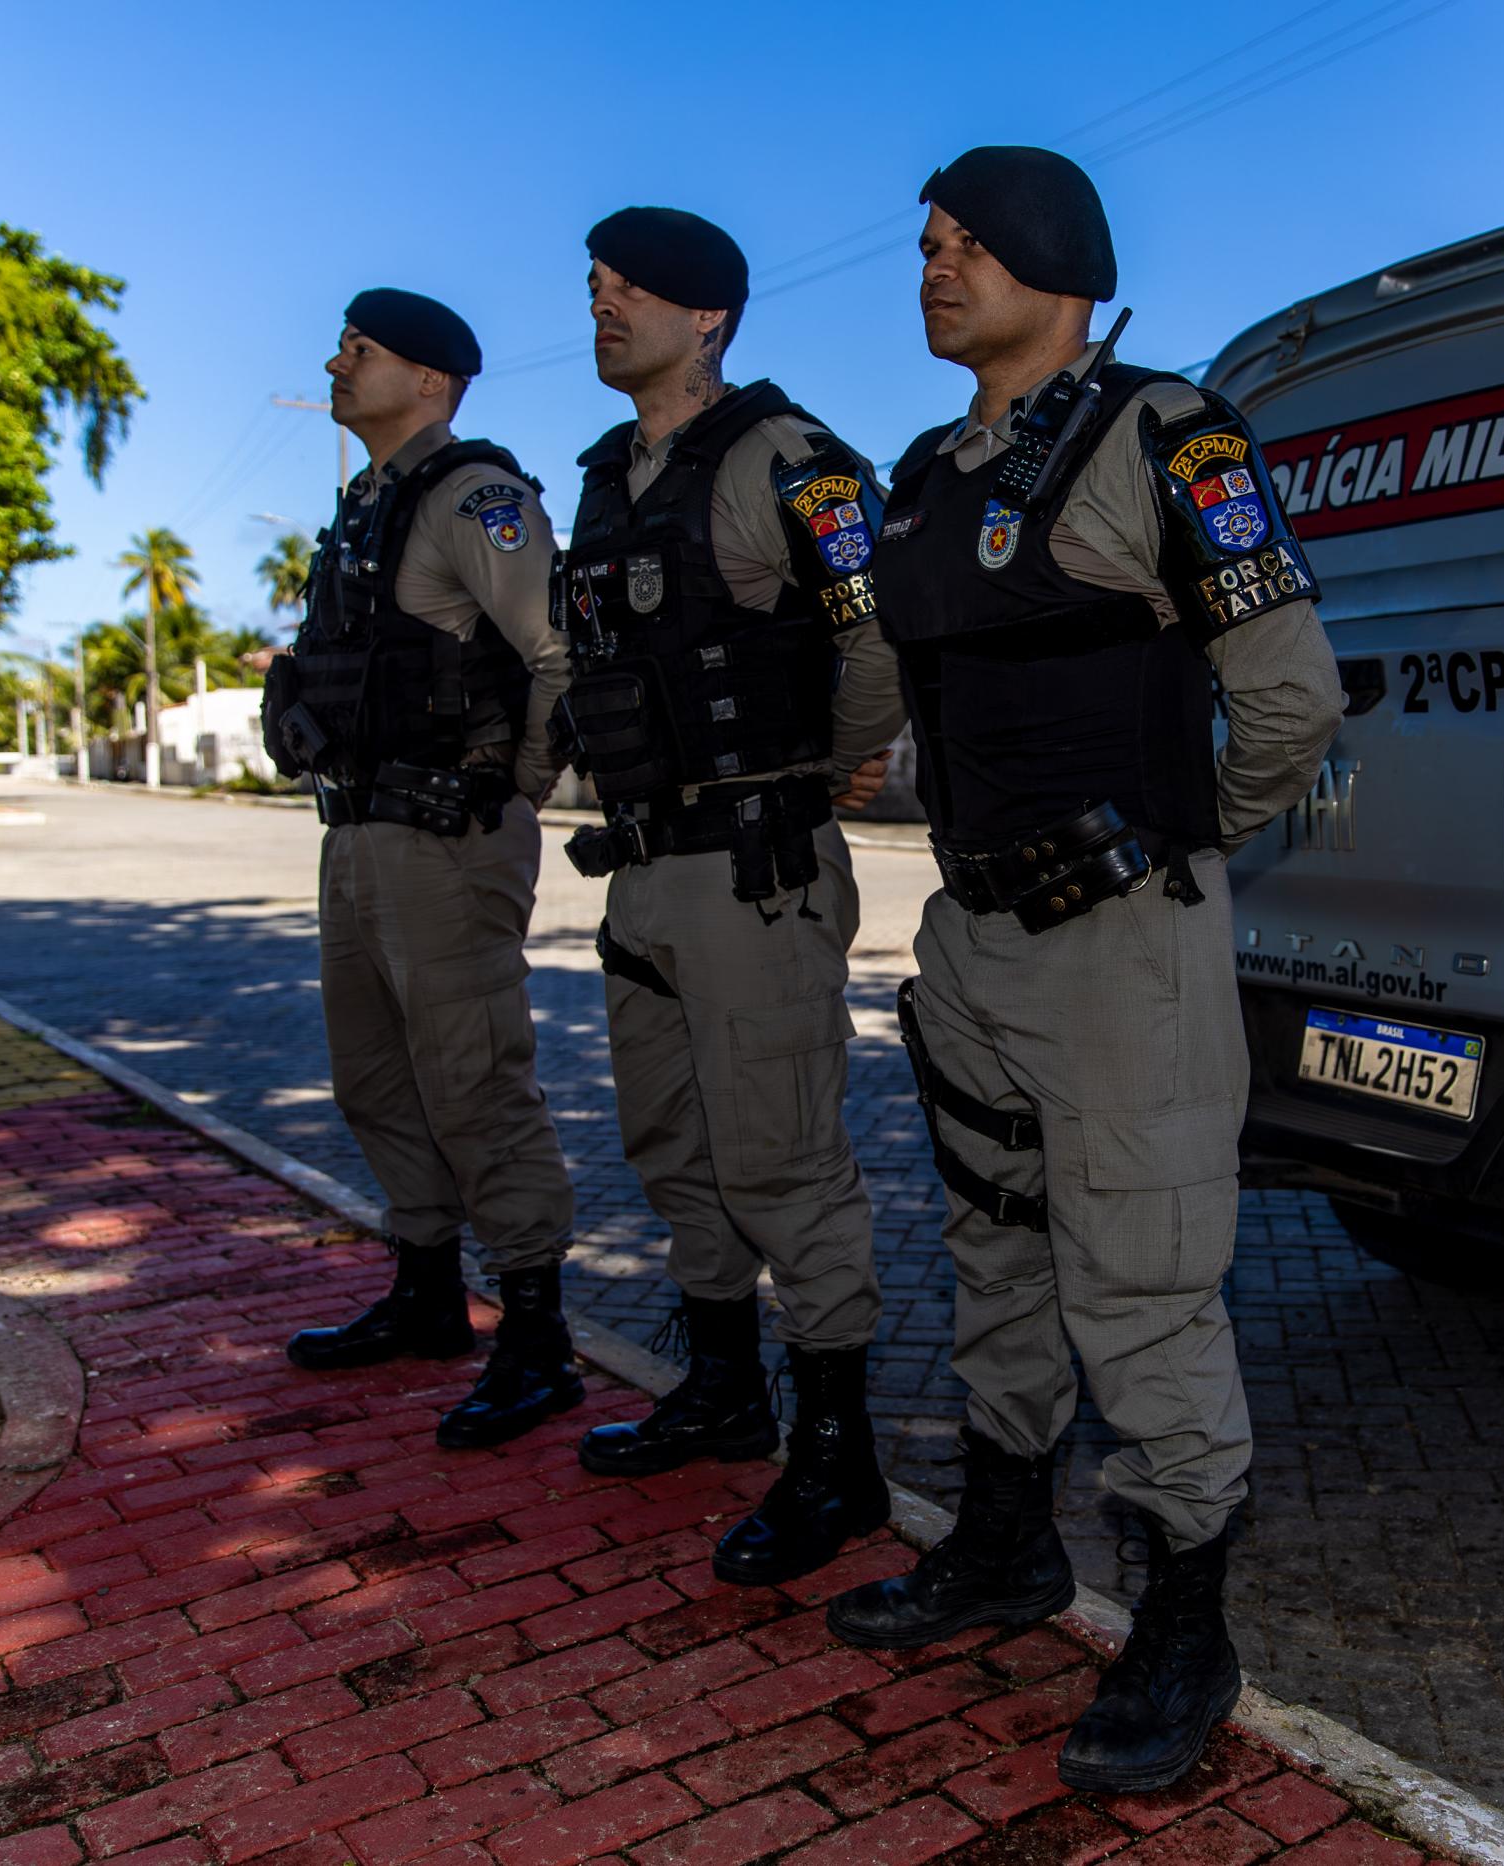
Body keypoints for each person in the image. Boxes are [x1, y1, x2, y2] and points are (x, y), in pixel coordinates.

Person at [822, 149, 1343, 1794]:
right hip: (969, 934)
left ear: (1059, 259)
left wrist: (1171, 849)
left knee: (1142, 1283)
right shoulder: (918, 472)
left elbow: (1291, 701)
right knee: (995, 1258)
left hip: (1122, 941)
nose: (934, 264)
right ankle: (1004, 1547)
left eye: (968, 241)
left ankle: (1187, 1622)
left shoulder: (1169, 435)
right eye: (926, 242)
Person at [559, 207, 906, 1586]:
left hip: (756, 869)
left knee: (784, 1166)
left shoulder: (790, 460)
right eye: (594, 284)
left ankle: (838, 1454)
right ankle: (722, 1388)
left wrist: (826, 767)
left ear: (709, 315)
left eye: (630, 286)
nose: (602, 303)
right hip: (645, 870)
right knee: (671, 1147)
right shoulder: (602, 476)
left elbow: (876, 631)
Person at [257, 289, 583, 1452]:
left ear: (432, 380)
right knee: (377, 1079)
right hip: (355, 834)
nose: (337, 363)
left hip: (447, 838)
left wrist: (517, 793)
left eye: (361, 350)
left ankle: (538, 1339)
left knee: (475, 1083)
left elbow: (559, 651)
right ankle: (429, 1291)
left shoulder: (473, 497)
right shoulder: (362, 506)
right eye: (341, 343)